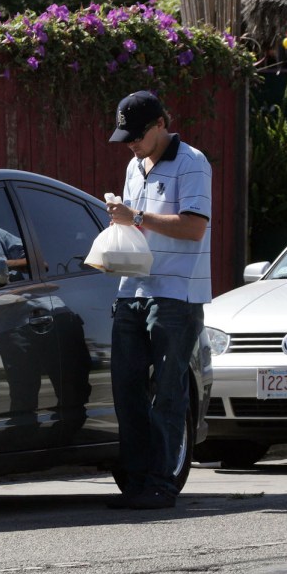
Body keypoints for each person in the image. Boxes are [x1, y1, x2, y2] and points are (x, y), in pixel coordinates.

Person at [104, 90, 212, 509]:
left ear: (161, 124)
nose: (130, 143)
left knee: (167, 392)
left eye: (136, 134)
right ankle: (136, 481)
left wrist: (136, 218)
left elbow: (194, 228)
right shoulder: (134, 166)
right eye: (125, 135)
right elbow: (136, 225)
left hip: (176, 293)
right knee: (126, 387)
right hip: (132, 288)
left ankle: (162, 484)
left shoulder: (193, 162)